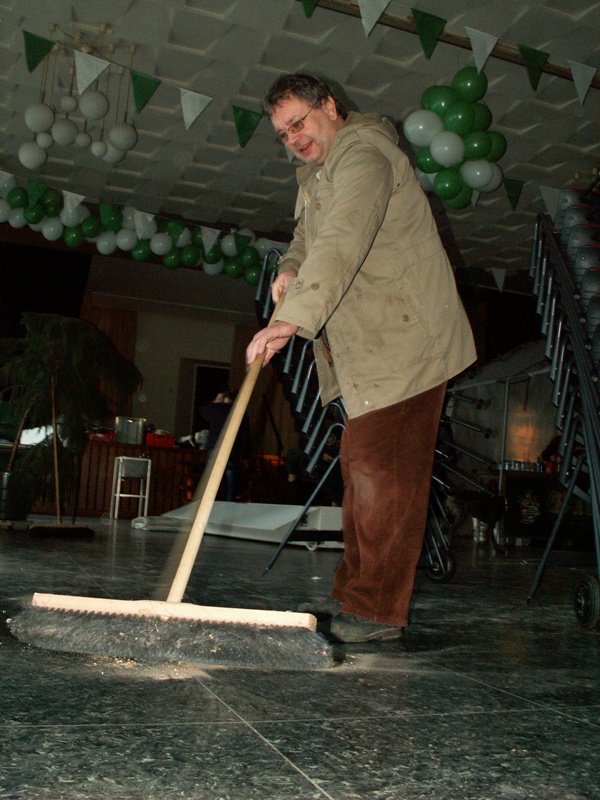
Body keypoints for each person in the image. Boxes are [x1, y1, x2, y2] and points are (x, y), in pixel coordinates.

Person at [246, 73, 476, 643]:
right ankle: (357, 596)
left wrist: (291, 319)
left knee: (382, 475)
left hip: (405, 344)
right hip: (372, 348)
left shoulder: (364, 156)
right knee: (361, 469)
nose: (293, 139)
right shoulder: (318, 177)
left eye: (298, 122)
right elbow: (309, 240)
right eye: (283, 133)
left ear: (329, 106)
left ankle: (375, 610)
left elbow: (342, 238)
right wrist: (289, 267)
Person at [198, 390, 250, 502]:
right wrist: (245, 456)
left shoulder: (215, 409)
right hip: (231, 450)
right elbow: (244, 435)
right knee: (230, 483)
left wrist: (215, 401)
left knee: (212, 481)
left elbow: (203, 410)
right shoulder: (239, 412)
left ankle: (209, 505)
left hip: (215, 448)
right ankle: (228, 506)